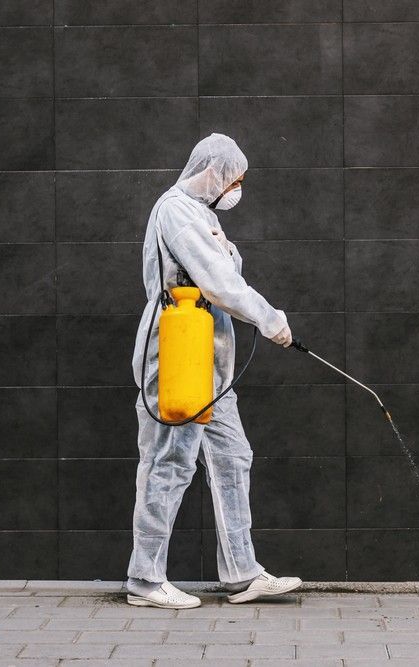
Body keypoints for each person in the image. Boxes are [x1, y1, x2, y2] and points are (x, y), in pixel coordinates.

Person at [126, 133, 302, 609]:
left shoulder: (203, 215)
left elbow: (228, 270)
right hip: (178, 357)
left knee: (232, 457)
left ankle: (242, 574)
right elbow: (221, 283)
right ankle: (145, 579)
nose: (237, 190)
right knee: (169, 463)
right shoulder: (176, 210)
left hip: (211, 364)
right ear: (212, 173)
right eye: (235, 180)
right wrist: (270, 319)